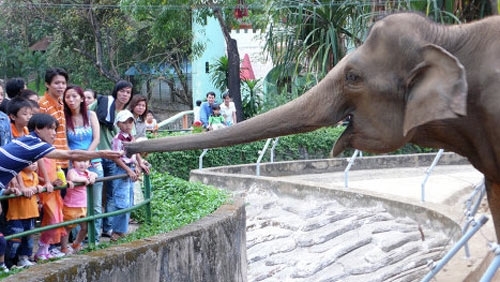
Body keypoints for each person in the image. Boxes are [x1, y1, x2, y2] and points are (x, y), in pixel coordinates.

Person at [0, 113, 121, 190]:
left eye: (55, 129)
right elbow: (71, 154)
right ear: (38, 129)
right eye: (50, 129)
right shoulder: (35, 143)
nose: (54, 133)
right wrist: (101, 153)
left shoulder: (29, 140)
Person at [90, 80, 133, 238]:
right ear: (116, 91)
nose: (124, 95)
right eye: (122, 91)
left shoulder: (126, 115)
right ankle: (93, 230)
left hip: (115, 157)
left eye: (128, 92)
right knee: (96, 193)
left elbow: (130, 139)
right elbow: (87, 113)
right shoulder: (103, 103)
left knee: (112, 195)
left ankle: (107, 228)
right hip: (98, 154)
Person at [63, 85, 104, 243]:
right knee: (73, 203)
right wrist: (75, 159)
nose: (71, 100)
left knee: (95, 203)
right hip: (73, 166)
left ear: (81, 98)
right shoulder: (64, 118)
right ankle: (72, 241)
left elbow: (97, 139)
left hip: (93, 162)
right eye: (68, 97)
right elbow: (64, 143)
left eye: (74, 96)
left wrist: (86, 157)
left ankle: (94, 238)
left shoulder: (91, 114)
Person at [109, 110, 149, 241]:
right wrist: (128, 170)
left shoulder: (131, 137)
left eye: (130, 121)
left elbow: (135, 151)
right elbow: (116, 158)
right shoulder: (117, 139)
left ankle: (122, 230)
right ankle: (116, 231)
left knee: (129, 200)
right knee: (121, 201)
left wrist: (139, 164)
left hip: (130, 168)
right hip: (122, 170)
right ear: (118, 124)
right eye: (124, 122)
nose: (128, 125)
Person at [4, 161, 42, 268]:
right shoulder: (16, 175)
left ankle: (23, 258)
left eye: (35, 162)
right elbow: (20, 189)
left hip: (31, 213)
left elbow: (34, 189)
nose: (33, 164)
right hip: (17, 213)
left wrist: (37, 188)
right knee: (15, 238)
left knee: (28, 237)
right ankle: (9, 261)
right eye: (30, 162)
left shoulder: (35, 175)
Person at [60, 160, 97, 254]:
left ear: (89, 164)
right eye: (79, 161)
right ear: (73, 163)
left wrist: (92, 176)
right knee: (67, 228)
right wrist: (84, 180)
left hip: (83, 206)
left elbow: (95, 174)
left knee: (86, 227)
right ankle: (64, 248)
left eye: (85, 161)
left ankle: (76, 244)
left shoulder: (87, 172)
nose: (82, 163)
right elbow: (72, 178)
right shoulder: (72, 171)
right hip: (71, 205)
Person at [38, 68, 70, 172]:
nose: (61, 86)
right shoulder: (42, 105)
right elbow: (38, 134)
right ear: (47, 84)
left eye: (63, 83)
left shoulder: (62, 103)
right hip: (50, 160)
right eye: (57, 83)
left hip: (64, 158)